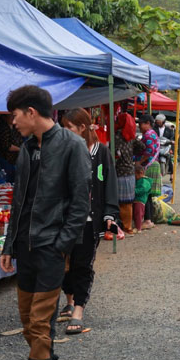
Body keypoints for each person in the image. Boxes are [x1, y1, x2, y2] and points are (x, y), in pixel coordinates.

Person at [0, 86, 91, 360]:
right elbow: (19, 199)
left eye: (15, 115)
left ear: (31, 112)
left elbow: (81, 203)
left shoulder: (73, 146)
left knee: (39, 322)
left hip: (52, 247)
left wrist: (61, 244)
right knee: (27, 320)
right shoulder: (26, 148)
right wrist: (10, 244)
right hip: (25, 246)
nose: (13, 122)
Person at [59, 108, 120, 335]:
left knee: (82, 265)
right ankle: (69, 299)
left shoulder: (100, 153)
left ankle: (78, 310)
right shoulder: (63, 150)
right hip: (64, 218)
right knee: (64, 263)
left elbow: (108, 182)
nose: (65, 132)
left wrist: (109, 215)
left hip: (88, 219)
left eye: (69, 128)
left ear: (82, 128)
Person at [113, 112, 142, 234]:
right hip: (130, 172)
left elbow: (114, 152)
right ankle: (128, 226)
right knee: (128, 202)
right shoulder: (131, 136)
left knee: (120, 202)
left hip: (120, 172)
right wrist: (132, 155)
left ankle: (124, 226)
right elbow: (142, 146)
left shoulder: (117, 136)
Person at [137, 114, 162, 229]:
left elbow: (149, 152)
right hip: (154, 164)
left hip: (149, 165)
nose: (139, 127)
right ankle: (149, 220)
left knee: (145, 193)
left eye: (141, 124)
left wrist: (139, 162)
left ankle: (147, 220)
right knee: (149, 194)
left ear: (147, 123)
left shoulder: (148, 134)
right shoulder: (152, 133)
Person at [0, 114, 21, 183]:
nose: (13, 117)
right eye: (10, 116)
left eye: (14, 115)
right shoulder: (2, 128)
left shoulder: (14, 128)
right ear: (4, 117)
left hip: (11, 162)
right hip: (1, 162)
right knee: (0, 183)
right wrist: (20, 149)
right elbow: (6, 146)